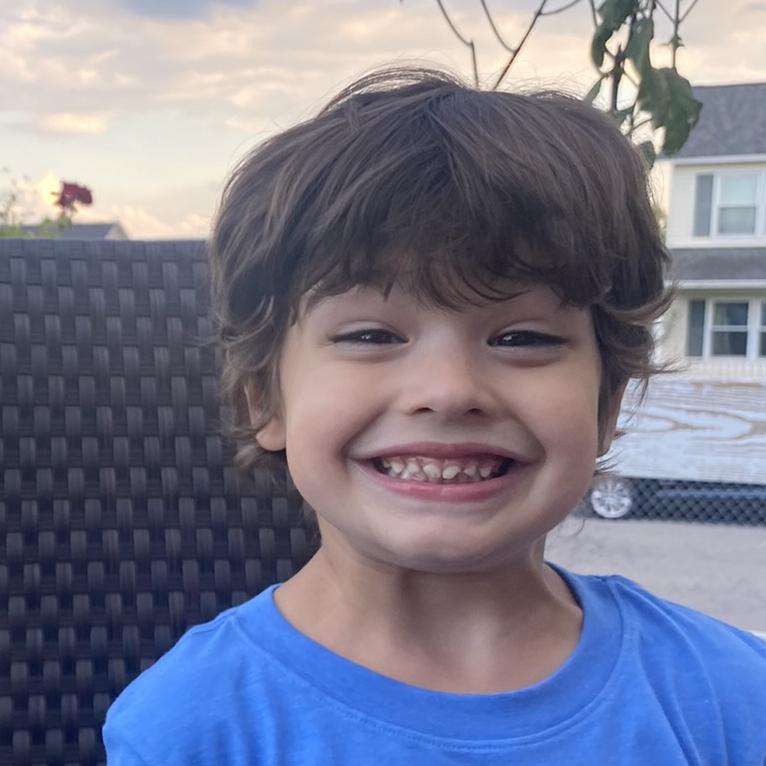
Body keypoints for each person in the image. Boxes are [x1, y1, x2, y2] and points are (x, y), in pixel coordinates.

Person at [102, 66, 766, 764]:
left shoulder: (733, 701)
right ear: (265, 399)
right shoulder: (191, 728)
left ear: (608, 402)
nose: (449, 391)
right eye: (371, 335)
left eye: (522, 338)